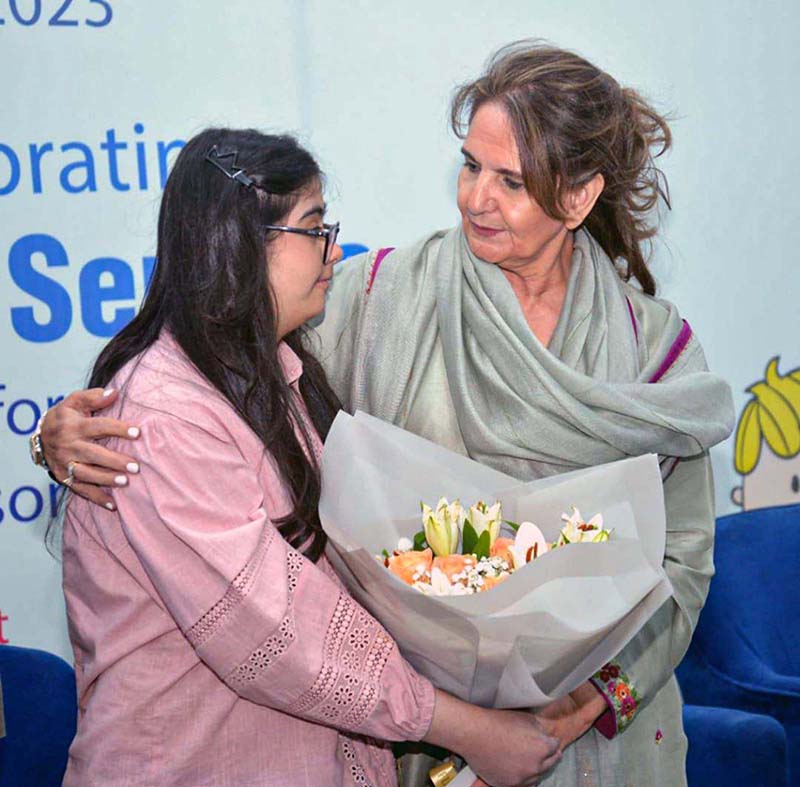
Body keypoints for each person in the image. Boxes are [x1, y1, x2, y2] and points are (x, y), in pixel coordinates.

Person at [38, 42, 734, 787]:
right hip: (434, 733)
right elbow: (213, 355)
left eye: (511, 181)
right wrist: (64, 430)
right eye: (470, 166)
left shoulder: (654, 353)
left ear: (579, 197)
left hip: (602, 738)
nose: (475, 198)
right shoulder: (378, 299)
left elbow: (683, 559)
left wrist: (596, 696)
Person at [48, 127, 561, 787]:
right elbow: (277, 633)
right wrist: (466, 727)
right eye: (314, 227)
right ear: (236, 244)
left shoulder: (277, 373)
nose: (334, 250)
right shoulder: (164, 416)